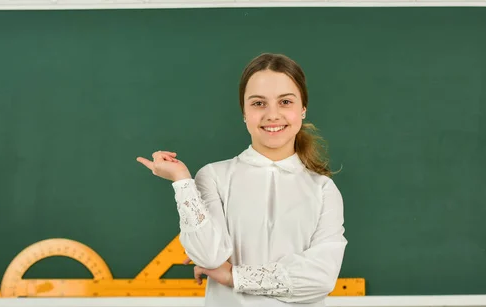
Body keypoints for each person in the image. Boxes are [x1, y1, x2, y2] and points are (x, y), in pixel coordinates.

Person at [137, 53, 347, 307]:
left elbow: (320, 279)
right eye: (258, 103)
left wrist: (233, 276)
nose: (272, 115)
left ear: (302, 109)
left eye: (285, 102)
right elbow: (209, 255)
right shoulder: (214, 176)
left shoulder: (323, 189)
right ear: (244, 112)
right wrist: (182, 181)